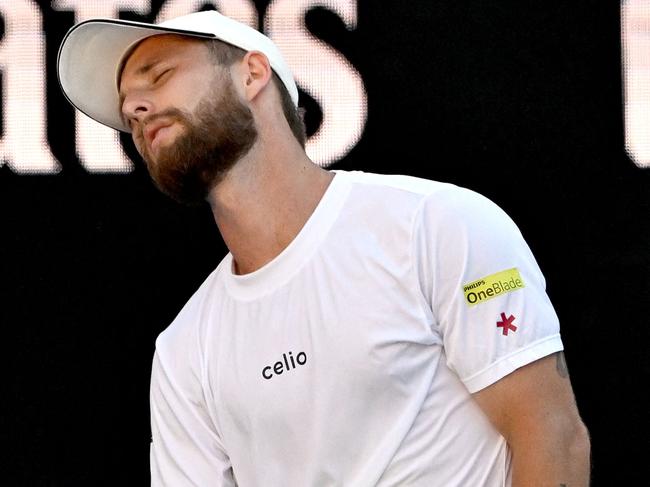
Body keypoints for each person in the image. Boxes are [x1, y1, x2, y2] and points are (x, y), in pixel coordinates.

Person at [57, 10, 591, 487]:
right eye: (128, 108)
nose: (136, 107)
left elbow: (552, 438)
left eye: (160, 76)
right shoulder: (182, 351)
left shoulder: (436, 224)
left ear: (252, 73)